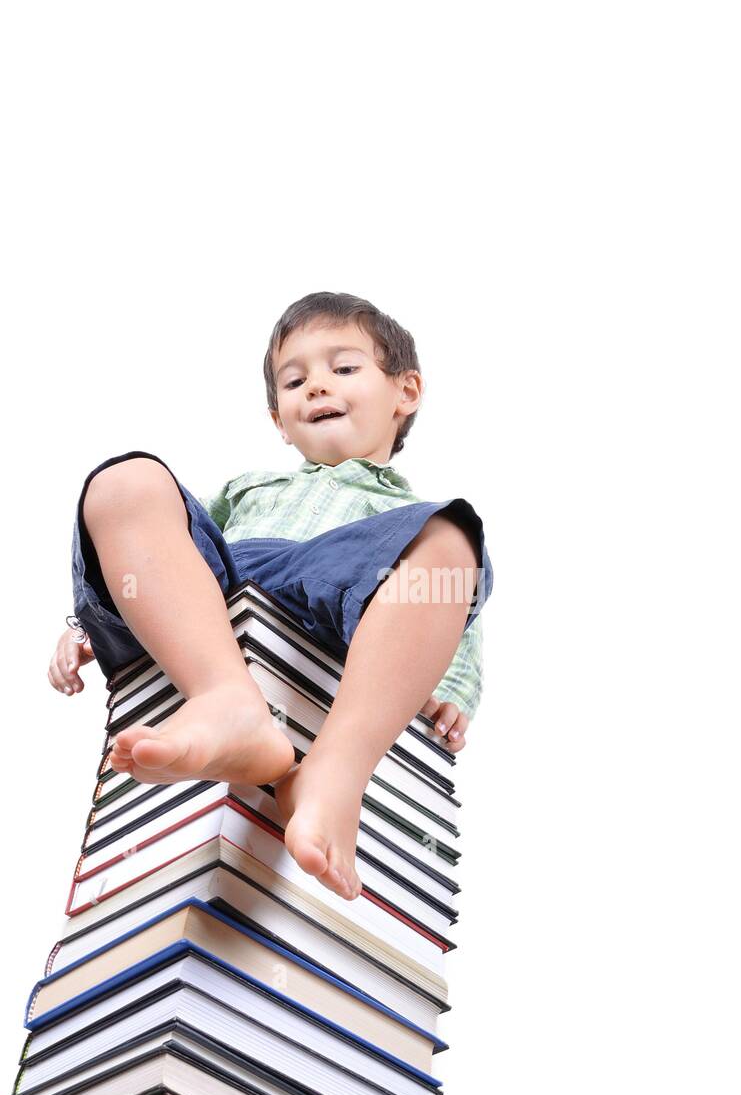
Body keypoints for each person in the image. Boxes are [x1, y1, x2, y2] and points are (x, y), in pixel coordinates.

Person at [47, 292, 494, 905]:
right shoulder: (246, 487)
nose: (316, 387)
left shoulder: (407, 520)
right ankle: (228, 700)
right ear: (279, 420)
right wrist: (89, 624)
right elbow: (168, 552)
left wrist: (456, 686)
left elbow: (455, 617)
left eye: (343, 368)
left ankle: (333, 774)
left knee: (451, 538)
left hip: (340, 590)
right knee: (124, 482)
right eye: (294, 380)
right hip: (223, 589)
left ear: (406, 391)